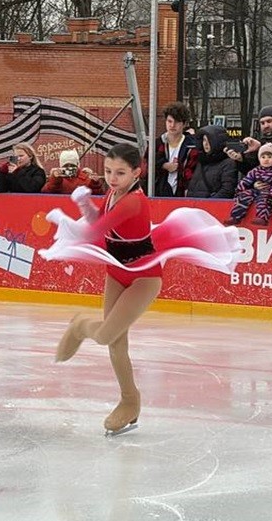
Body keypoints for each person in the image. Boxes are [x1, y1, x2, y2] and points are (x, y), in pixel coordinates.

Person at [39, 143, 239, 436]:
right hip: (116, 271)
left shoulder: (133, 201)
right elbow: (100, 224)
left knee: (106, 333)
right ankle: (129, 401)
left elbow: (94, 231)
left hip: (144, 276)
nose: (112, 177)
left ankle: (81, 326)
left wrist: (64, 219)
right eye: (108, 171)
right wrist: (85, 206)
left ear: (136, 172)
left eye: (120, 172)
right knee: (116, 343)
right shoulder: (113, 194)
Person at [226, 143, 272, 226]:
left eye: (269, 157)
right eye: (263, 157)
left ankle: (262, 217)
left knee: (264, 198)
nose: (266, 160)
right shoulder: (256, 170)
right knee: (245, 195)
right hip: (257, 191)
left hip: (271, 194)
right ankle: (236, 217)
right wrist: (240, 190)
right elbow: (246, 180)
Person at [154, 102, 198, 197]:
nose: (172, 125)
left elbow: (195, 172)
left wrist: (180, 168)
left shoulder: (192, 146)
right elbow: (145, 168)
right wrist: (163, 165)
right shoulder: (157, 144)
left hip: (183, 194)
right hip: (159, 193)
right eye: (169, 121)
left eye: (177, 122)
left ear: (184, 124)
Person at [225, 105, 272, 172]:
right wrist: (241, 159)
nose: (266, 126)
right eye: (262, 123)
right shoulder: (258, 144)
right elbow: (251, 171)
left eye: (269, 121)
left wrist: (261, 146)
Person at [187, 125, 237, 199]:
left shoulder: (228, 163)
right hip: (194, 205)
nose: (205, 144)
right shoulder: (201, 160)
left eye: (209, 140)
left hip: (212, 206)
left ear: (217, 141)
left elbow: (227, 190)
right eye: (204, 140)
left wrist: (209, 203)